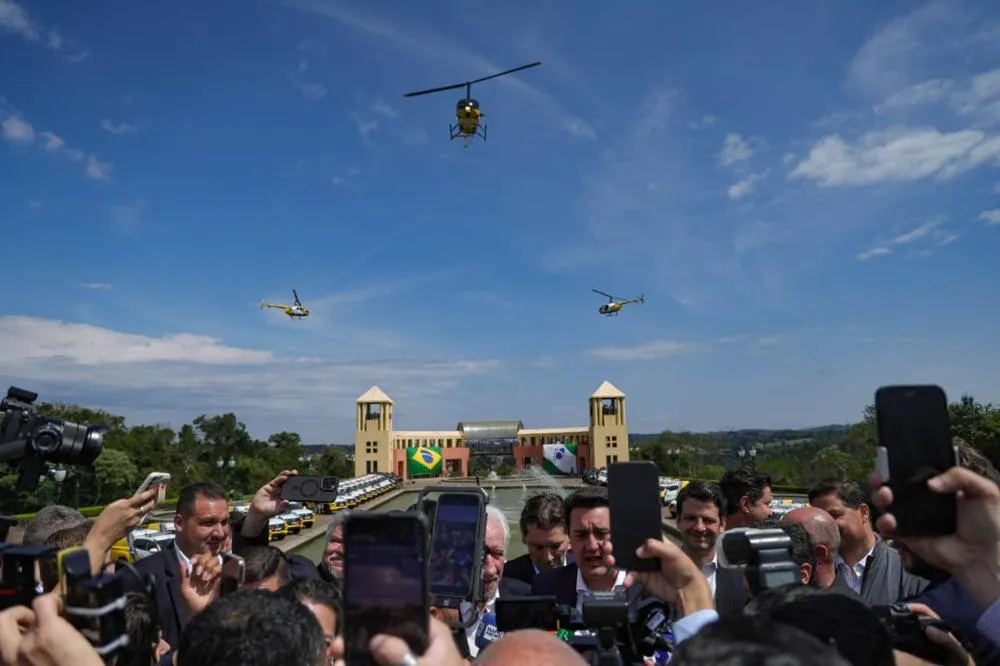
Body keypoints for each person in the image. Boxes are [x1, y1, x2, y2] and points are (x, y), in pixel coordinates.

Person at [124, 471, 296, 647]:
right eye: (208, 523)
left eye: (224, 522)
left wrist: (257, 514)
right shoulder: (140, 578)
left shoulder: (234, 568)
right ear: (179, 523)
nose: (220, 533)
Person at [808, 479, 928, 605]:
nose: (827, 525)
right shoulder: (812, 574)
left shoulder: (909, 570)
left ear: (863, 512)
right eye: (821, 518)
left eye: (834, 515)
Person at [531, 487, 638, 612]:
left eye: (601, 533)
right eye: (581, 535)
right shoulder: (545, 587)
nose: (592, 546)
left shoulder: (647, 589)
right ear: (569, 536)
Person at [460, 505, 530, 658]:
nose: (491, 570)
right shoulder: (433, 609)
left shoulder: (527, 599)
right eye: (480, 554)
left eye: (497, 554)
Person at [674, 481, 747, 614]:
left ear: (722, 524)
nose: (699, 527)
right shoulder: (656, 572)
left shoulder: (742, 577)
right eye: (691, 518)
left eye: (708, 520)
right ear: (678, 521)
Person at [783, 506, 858, 596]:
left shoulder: (850, 604)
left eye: (793, 540)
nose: (778, 550)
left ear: (819, 555)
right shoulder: (779, 599)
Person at [503, 492, 571, 586]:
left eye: (555, 546)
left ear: (570, 537)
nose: (548, 557)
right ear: (524, 538)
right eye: (539, 547)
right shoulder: (503, 578)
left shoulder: (584, 570)